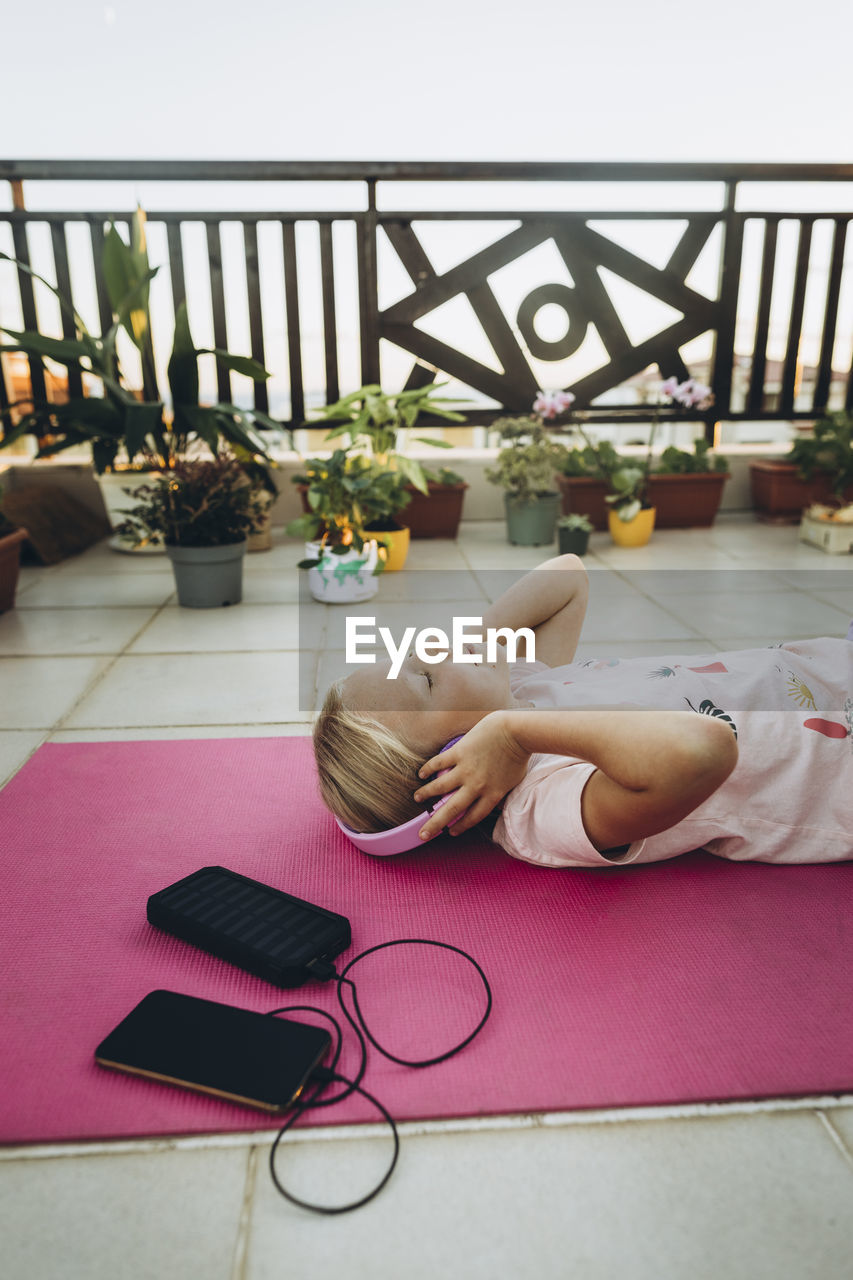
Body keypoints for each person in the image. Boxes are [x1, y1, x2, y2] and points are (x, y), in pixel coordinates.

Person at [314, 555, 853, 867]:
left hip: (831, 665)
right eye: (427, 676)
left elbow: (568, 577)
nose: (437, 646)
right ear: (455, 764)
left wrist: (476, 644)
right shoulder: (541, 805)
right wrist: (510, 735)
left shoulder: (522, 692)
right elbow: (702, 751)